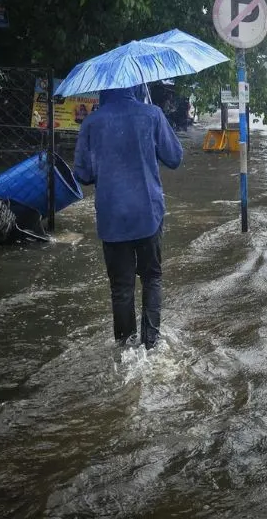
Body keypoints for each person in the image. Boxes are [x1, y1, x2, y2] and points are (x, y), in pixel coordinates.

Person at [73, 84, 183, 350]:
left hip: (112, 218)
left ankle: (125, 350)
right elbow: (175, 157)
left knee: (121, 288)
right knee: (152, 278)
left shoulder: (91, 123)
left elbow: (82, 175)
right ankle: (151, 345)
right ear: (135, 86)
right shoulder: (152, 115)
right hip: (148, 214)